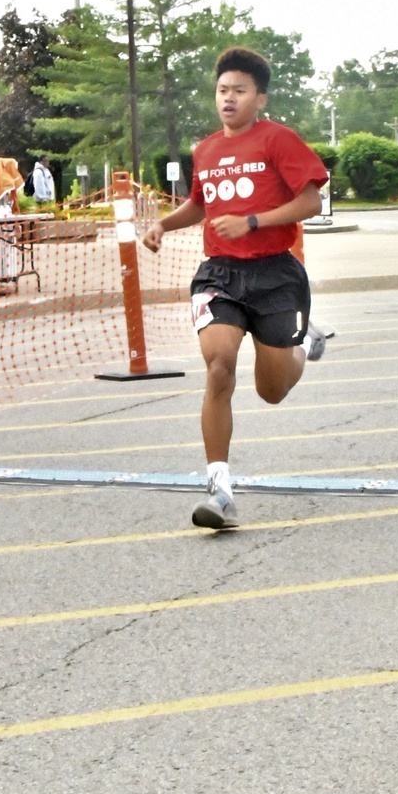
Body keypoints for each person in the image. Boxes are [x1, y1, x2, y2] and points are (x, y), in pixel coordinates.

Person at [142, 46, 328, 530]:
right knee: (219, 367)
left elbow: (311, 200)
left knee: (272, 390)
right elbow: (200, 206)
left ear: (259, 98)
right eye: (223, 90)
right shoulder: (205, 150)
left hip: (275, 276)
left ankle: (304, 344)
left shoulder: (278, 141)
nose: (229, 98)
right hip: (220, 274)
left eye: (239, 91)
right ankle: (219, 490)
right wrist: (164, 223)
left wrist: (252, 221)